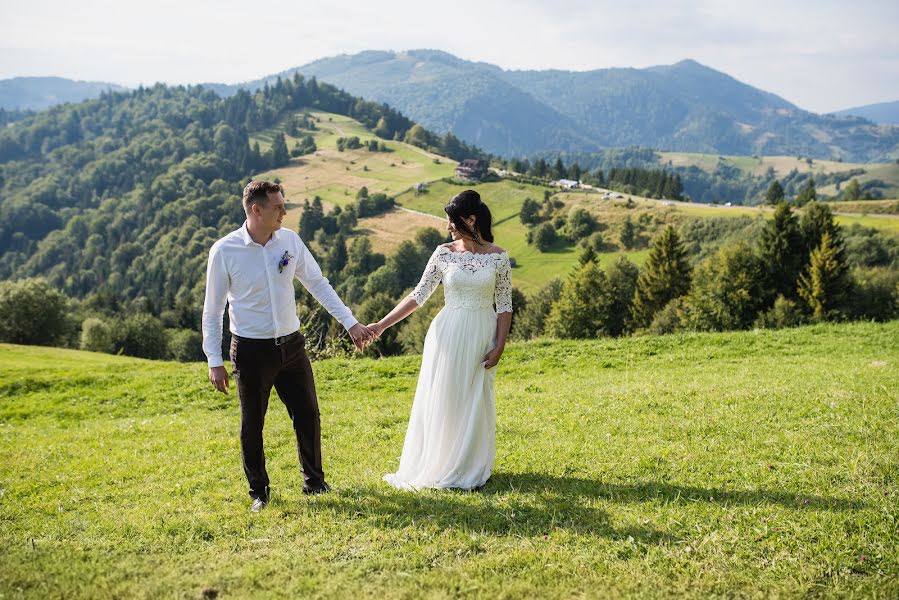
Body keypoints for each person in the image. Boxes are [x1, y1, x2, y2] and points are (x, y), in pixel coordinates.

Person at [202, 180, 375, 512]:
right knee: (253, 423)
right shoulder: (224, 251)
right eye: (279, 206)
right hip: (252, 351)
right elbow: (213, 311)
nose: (285, 211)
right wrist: (214, 358)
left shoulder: (290, 241)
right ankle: (259, 493)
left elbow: (316, 283)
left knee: (308, 415)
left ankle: (315, 483)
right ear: (257, 209)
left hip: (293, 347)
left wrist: (350, 322)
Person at [369, 189, 513, 490]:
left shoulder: (499, 257)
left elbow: (504, 305)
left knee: (475, 397)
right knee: (445, 397)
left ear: (470, 219)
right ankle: (440, 463)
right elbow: (418, 295)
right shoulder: (443, 253)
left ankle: (470, 465)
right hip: (447, 334)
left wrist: (499, 346)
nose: (448, 226)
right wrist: (382, 325)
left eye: (452, 221)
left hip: (481, 333)